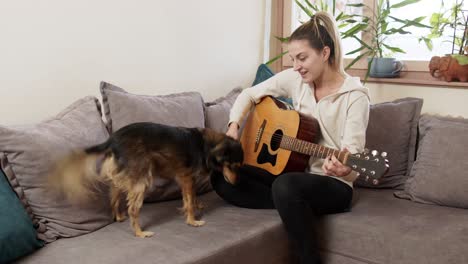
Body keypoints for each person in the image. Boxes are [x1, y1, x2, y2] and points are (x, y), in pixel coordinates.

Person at [210, 11, 370, 264]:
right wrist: (233, 126)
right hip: (293, 174)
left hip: (333, 186)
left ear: (325, 53)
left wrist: (343, 170)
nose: (296, 66)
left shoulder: (356, 97)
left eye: (302, 58)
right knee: (221, 175)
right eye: (293, 59)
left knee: (285, 186)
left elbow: (354, 161)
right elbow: (248, 95)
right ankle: (292, 205)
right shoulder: (296, 80)